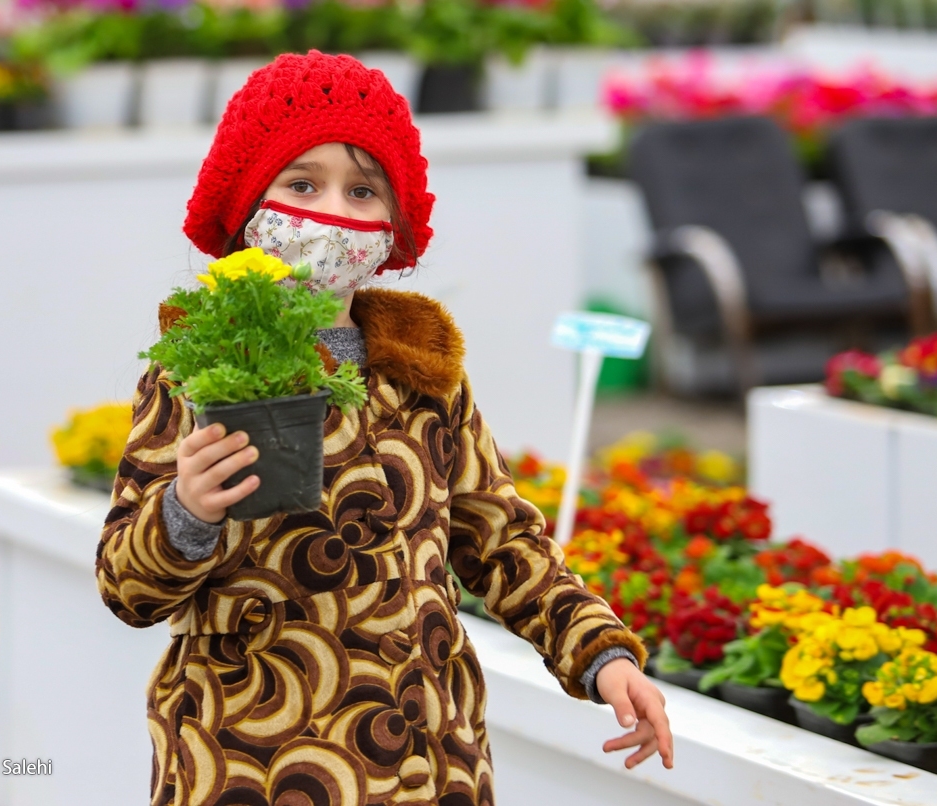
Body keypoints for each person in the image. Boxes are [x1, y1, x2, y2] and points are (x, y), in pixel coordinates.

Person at [97, 50, 673, 806]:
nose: (333, 211)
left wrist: (601, 655)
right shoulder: (200, 368)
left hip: (429, 760)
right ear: (247, 204)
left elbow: (501, 538)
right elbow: (127, 589)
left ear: (393, 221)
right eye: (302, 184)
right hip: (251, 760)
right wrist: (186, 512)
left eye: (363, 190)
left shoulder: (425, 372)